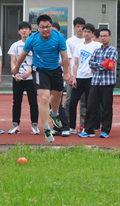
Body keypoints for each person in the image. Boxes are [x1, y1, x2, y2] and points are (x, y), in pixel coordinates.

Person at [11, 14, 70, 143]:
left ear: (51, 26)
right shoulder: (32, 39)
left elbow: (65, 57)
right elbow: (22, 55)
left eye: (48, 26)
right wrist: (16, 68)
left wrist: (66, 73)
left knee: (58, 94)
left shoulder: (58, 37)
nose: (45, 30)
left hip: (55, 69)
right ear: (37, 28)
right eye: (42, 27)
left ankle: (54, 113)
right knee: (44, 98)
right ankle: (47, 129)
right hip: (39, 70)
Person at [79, 28, 117, 138]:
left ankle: (105, 130)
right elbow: (91, 64)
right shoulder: (97, 50)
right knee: (90, 106)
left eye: (105, 36)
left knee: (106, 107)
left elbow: (109, 65)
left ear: (110, 37)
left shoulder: (113, 50)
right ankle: (89, 130)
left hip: (107, 83)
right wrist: (102, 64)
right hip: (95, 82)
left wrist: (99, 65)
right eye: (101, 36)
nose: (103, 38)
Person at [7, 21, 39, 135]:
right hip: (18, 78)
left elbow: (37, 61)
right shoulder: (15, 45)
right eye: (22, 29)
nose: (24, 31)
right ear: (19, 31)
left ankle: (34, 125)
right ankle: (15, 125)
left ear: (30, 31)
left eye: (26, 28)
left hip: (31, 78)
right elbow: (12, 61)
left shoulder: (35, 44)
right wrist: (15, 73)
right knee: (16, 102)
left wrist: (30, 71)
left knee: (33, 102)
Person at [69, 24, 101, 134]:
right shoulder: (79, 46)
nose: (86, 33)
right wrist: (74, 77)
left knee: (89, 104)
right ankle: (72, 126)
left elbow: (102, 57)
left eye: (88, 32)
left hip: (91, 78)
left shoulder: (96, 45)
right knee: (72, 102)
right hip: (79, 78)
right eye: (85, 31)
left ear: (92, 34)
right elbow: (75, 63)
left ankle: (88, 127)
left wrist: (96, 68)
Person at [64, 17, 85, 127]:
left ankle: (83, 124)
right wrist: (70, 75)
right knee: (69, 101)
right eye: (78, 26)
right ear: (74, 27)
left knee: (84, 102)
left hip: (85, 76)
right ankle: (66, 122)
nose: (80, 29)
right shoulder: (69, 41)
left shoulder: (88, 41)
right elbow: (68, 60)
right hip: (73, 76)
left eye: (82, 26)